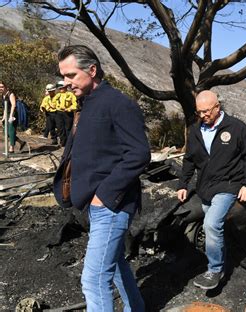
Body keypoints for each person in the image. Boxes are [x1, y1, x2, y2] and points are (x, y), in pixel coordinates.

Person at [52, 45, 150, 311]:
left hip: (112, 205)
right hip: (96, 206)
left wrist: (103, 196)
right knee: (117, 264)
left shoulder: (117, 103)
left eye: (71, 75)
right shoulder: (87, 104)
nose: (66, 82)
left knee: (94, 280)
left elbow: (139, 154)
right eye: (64, 75)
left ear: (92, 70)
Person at [177, 90, 246, 290]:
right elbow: (189, 160)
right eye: (199, 112)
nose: (203, 115)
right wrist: (183, 184)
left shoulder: (236, 127)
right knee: (216, 226)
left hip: (228, 184)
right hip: (205, 187)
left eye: (206, 111)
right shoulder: (196, 131)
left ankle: (214, 269)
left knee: (211, 224)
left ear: (217, 107)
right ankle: (227, 255)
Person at [0, 81, 26, 153]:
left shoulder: (10, 94)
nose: (0, 88)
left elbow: (13, 105)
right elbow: (5, 107)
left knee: (11, 131)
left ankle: (12, 148)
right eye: (0, 87)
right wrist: (3, 117)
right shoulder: (3, 95)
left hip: (13, 114)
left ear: (5, 86)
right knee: (6, 132)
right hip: (7, 114)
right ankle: (21, 142)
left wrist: (11, 116)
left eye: (2, 87)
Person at [53, 80, 77, 146]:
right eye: (59, 88)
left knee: (68, 128)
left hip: (68, 114)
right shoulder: (57, 95)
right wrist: (56, 106)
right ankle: (62, 142)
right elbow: (53, 103)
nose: (60, 89)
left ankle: (69, 143)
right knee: (60, 128)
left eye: (61, 87)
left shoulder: (70, 94)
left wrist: (69, 109)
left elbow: (75, 104)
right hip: (59, 113)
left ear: (65, 87)